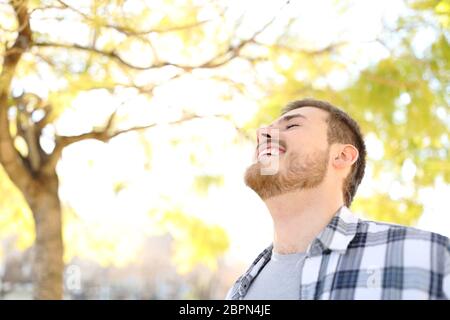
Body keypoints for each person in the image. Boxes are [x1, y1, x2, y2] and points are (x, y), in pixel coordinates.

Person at [225, 98, 450, 300]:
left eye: (292, 125)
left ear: (342, 156)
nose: (263, 134)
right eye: (266, 130)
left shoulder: (433, 258)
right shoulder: (237, 292)